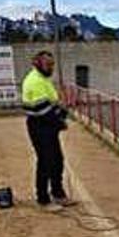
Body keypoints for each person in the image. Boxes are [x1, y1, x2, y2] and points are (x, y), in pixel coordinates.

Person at [22, 50, 75, 211]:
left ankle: (58, 194)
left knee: (57, 160)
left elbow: (52, 103)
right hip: (40, 126)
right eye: (48, 64)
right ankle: (43, 199)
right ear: (38, 64)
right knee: (45, 162)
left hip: (47, 125)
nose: (51, 68)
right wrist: (60, 121)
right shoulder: (35, 81)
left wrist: (62, 111)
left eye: (52, 64)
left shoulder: (43, 79)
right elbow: (43, 110)